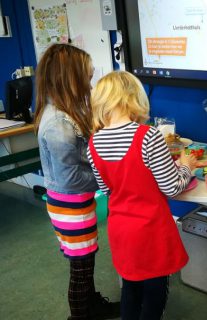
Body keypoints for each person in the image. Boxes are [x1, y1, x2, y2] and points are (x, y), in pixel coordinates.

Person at [87, 70, 197, 320]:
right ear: (132, 97)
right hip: (150, 230)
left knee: (131, 287)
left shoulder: (93, 143)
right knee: (155, 291)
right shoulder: (148, 136)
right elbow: (172, 187)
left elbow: (107, 189)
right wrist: (186, 166)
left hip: (120, 229)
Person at [34, 43, 120, 320]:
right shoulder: (58, 123)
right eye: (87, 76)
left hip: (73, 204)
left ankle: (92, 306)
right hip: (71, 207)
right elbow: (71, 178)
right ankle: (81, 315)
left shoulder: (61, 112)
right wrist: (109, 178)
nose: (90, 83)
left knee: (86, 262)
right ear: (69, 78)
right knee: (81, 270)